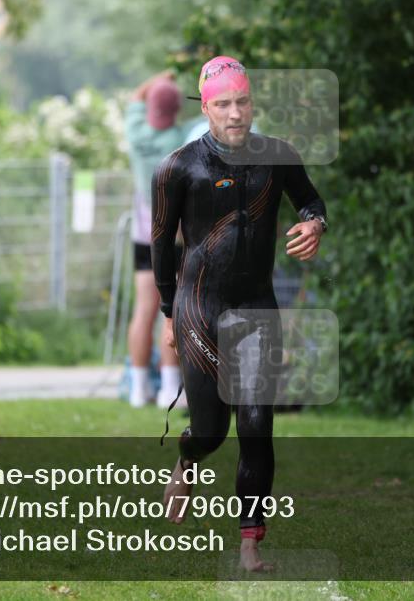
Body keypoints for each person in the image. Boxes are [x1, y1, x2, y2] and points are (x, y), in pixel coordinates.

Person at [151, 56, 327, 571]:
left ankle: (250, 543)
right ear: (205, 108)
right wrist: (166, 314)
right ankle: (187, 460)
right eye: (223, 104)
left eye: (243, 102)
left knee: (256, 424)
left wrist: (315, 225)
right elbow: (162, 247)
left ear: (253, 102)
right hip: (198, 308)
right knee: (211, 430)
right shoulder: (178, 168)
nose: (235, 113)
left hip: (256, 305)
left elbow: (311, 201)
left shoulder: (279, 157)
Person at [124, 72, 195, 408]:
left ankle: (138, 389)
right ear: (176, 110)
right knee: (174, 310)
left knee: (144, 310)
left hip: (142, 234)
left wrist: (156, 79)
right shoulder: (181, 140)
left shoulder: (135, 131)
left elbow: (136, 98)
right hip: (176, 237)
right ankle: (169, 388)